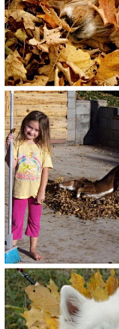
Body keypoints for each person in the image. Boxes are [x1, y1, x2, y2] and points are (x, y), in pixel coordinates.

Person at [9, 109, 52, 256]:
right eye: (29, 127)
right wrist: (8, 146)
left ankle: (33, 249)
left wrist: (42, 191)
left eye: (36, 130)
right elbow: (12, 165)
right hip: (20, 190)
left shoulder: (43, 148)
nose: (31, 132)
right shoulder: (17, 144)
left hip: (36, 192)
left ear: (41, 132)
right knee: (16, 220)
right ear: (24, 124)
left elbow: (45, 171)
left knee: (34, 221)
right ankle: (12, 247)